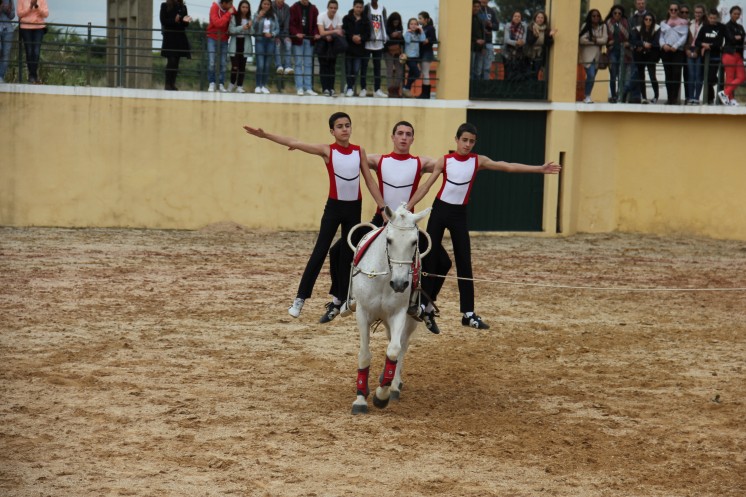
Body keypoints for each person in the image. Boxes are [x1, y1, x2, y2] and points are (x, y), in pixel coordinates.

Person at [405, 123, 561, 333]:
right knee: (431, 258)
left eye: (471, 141)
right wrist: (406, 208)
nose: (467, 144)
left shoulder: (478, 161)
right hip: (440, 210)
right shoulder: (445, 160)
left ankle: (468, 314)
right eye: (464, 140)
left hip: (459, 214)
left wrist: (539, 169)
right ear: (457, 140)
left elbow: (508, 166)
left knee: (464, 261)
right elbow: (426, 186)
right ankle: (424, 305)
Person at [242, 113, 385, 319]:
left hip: (354, 208)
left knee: (348, 254)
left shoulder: (358, 151)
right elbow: (295, 142)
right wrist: (266, 136)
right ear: (332, 131)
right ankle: (300, 298)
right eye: (339, 126)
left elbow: (370, 181)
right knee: (320, 251)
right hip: (334, 208)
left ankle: (345, 297)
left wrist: (382, 207)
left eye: (347, 125)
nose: (344, 129)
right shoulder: (327, 150)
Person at [322, 121, 437, 324]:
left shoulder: (421, 163)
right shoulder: (378, 160)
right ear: (392, 137)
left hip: (406, 224)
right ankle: (339, 299)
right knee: (337, 251)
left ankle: (422, 307)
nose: (403, 137)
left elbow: (452, 165)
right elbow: (346, 157)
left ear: (413, 139)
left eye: (408, 134)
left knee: (440, 260)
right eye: (399, 133)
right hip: (380, 220)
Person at [659, 3, 688, 105]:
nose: (673, 11)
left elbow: (684, 36)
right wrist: (663, 45)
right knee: (668, 75)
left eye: (675, 10)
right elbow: (661, 36)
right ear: (668, 10)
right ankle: (669, 98)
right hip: (666, 51)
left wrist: (676, 46)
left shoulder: (683, 22)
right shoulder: (664, 22)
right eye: (671, 10)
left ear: (678, 11)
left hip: (677, 51)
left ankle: (675, 98)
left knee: (676, 74)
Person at [289, 0, 319, 96]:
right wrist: (296, 33)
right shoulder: (294, 7)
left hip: (309, 39)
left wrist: (315, 34)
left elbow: (316, 25)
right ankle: (299, 87)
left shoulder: (314, 8)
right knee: (298, 63)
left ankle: (308, 88)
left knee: (308, 64)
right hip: (298, 40)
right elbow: (291, 24)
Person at [160, 0, 192, 92]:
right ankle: (167, 84)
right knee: (171, 60)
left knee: (176, 61)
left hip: (179, 37)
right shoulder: (164, 5)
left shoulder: (183, 7)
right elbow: (163, 20)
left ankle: (172, 83)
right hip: (170, 37)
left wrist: (186, 20)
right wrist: (174, 20)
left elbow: (185, 24)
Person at [695, 8, 725, 106]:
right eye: (711, 18)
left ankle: (716, 88)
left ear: (717, 18)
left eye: (714, 18)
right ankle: (709, 99)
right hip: (705, 58)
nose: (712, 20)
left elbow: (719, 42)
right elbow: (697, 42)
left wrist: (708, 46)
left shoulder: (721, 27)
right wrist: (704, 44)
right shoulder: (704, 27)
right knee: (707, 79)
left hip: (715, 58)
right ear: (708, 17)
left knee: (711, 78)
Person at [629, 13, 660, 104]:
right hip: (640, 55)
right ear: (643, 20)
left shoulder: (657, 29)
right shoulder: (637, 29)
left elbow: (656, 42)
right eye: (646, 19)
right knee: (641, 76)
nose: (648, 21)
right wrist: (643, 44)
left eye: (650, 19)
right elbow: (633, 40)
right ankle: (644, 97)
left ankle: (656, 96)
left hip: (651, 55)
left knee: (652, 76)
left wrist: (644, 45)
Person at [578, 9, 608, 103]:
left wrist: (594, 40)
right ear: (590, 17)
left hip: (597, 56)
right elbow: (582, 40)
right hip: (587, 55)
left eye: (597, 16)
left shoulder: (603, 26)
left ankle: (587, 96)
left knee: (592, 77)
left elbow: (604, 40)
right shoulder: (585, 26)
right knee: (590, 75)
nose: (596, 18)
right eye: (593, 16)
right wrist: (595, 41)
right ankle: (586, 95)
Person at [342, 0, 369, 97]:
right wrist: (352, 37)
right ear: (353, 7)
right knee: (348, 69)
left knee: (356, 69)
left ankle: (350, 84)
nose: (359, 9)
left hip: (360, 49)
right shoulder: (346, 18)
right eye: (357, 7)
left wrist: (361, 38)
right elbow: (345, 31)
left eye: (360, 7)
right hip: (349, 48)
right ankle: (349, 88)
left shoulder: (366, 20)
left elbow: (368, 34)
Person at [207, 0, 235, 92]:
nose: (232, 5)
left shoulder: (231, 8)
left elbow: (237, 16)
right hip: (212, 37)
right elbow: (218, 23)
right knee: (212, 62)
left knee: (223, 63)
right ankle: (212, 82)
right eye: (230, 3)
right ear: (223, 3)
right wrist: (228, 14)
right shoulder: (214, 8)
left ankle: (221, 84)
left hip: (224, 39)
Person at [604, 5, 630, 103]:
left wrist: (627, 42)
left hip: (623, 51)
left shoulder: (626, 23)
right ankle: (613, 95)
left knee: (621, 75)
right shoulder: (607, 23)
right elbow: (604, 36)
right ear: (612, 13)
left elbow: (629, 36)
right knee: (613, 74)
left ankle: (620, 95)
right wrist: (607, 43)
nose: (617, 15)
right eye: (615, 13)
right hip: (612, 51)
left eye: (619, 13)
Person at [17, 0, 48, 84]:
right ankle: (32, 76)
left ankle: (33, 75)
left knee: (36, 51)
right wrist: (30, 7)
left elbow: (46, 14)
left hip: (39, 27)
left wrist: (37, 6)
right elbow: (19, 14)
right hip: (26, 27)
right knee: (29, 51)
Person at [316, 0, 343, 97]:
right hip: (322, 44)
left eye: (335, 8)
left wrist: (330, 32)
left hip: (333, 43)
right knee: (324, 66)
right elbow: (322, 32)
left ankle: (331, 88)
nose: (333, 10)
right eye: (331, 8)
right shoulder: (321, 16)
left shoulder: (338, 17)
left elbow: (340, 32)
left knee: (332, 67)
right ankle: (325, 89)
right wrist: (333, 31)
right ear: (328, 8)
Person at [362, 0, 388, 97]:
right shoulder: (366, 8)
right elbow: (363, 23)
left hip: (379, 43)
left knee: (377, 67)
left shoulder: (382, 8)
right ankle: (363, 88)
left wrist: (385, 37)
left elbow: (384, 24)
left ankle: (377, 89)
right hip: (368, 43)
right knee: (364, 66)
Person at [720, 5, 745, 106]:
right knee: (729, 78)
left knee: (742, 77)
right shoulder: (726, 26)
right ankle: (730, 99)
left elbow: (742, 37)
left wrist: (739, 37)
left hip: (738, 54)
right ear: (730, 14)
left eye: (738, 14)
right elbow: (731, 39)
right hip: (729, 53)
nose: (737, 15)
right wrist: (737, 37)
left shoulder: (740, 27)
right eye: (735, 13)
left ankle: (725, 93)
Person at [251, 0, 278, 93]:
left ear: (270, 5)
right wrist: (258, 18)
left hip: (270, 41)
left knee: (267, 65)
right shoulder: (256, 14)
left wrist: (272, 34)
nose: (266, 6)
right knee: (260, 65)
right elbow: (253, 28)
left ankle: (264, 85)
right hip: (259, 40)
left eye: (268, 4)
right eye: (264, 4)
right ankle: (258, 85)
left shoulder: (274, 16)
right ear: (261, 5)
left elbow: (277, 29)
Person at [227, 0, 251, 93]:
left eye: (246, 7)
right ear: (240, 7)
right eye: (243, 7)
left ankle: (239, 86)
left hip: (245, 43)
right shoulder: (234, 17)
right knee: (235, 66)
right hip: (235, 43)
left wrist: (250, 26)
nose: (245, 9)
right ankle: (231, 84)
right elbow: (231, 30)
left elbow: (252, 32)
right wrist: (242, 27)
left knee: (242, 66)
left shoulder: (249, 18)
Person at [525, 10, 556, 80]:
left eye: (542, 18)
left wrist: (550, 36)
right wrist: (536, 36)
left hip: (540, 54)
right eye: (538, 17)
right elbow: (529, 41)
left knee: (536, 75)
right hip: (529, 54)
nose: (540, 19)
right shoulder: (530, 28)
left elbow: (549, 43)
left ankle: (534, 90)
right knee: (528, 75)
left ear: (544, 20)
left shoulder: (546, 29)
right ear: (535, 18)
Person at [684, 4, 705, 104]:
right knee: (691, 75)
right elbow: (685, 38)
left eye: (700, 12)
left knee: (698, 75)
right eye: (696, 12)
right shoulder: (689, 23)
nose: (698, 14)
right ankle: (690, 97)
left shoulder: (706, 24)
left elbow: (704, 39)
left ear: (703, 13)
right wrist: (687, 50)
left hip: (699, 51)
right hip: (689, 50)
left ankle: (696, 98)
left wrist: (697, 51)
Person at [502, 10, 528, 81]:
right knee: (508, 74)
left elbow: (524, 39)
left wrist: (522, 42)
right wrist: (516, 42)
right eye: (515, 16)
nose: (517, 18)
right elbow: (506, 40)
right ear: (512, 17)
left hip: (520, 54)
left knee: (518, 75)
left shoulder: (524, 26)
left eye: (519, 16)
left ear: (521, 18)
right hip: (508, 54)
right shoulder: (508, 25)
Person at [401, 17, 424, 98]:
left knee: (411, 73)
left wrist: (421, 31)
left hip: (416, 57)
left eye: (415, 24)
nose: (413, 26)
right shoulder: (407, 33)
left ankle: (406, 91)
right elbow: (407, 40)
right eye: (411, 24)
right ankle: (406, 87)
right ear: (409, 25)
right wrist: (408, 32)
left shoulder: (418, 34)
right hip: (409, 57)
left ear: (417, 25)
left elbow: (423, 40)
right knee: (417, 73)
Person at [382, 11, 403, 97]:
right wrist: (391, 36)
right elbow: (384, 40)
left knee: (400, 71)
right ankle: (390, 90)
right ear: (391, 21)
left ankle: (396, 89)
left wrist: (400, 36)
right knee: (389, 70)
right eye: (394, 22)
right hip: (388, 51)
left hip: (398, 51)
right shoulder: (386, 28)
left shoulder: (400, 28)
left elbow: (403, 41)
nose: (395, 23)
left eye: (397, 22)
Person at [477, 0, 499, 80]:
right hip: (478, 43)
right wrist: (483, 28)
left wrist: (491, 25)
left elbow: (497, 26)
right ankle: (477, 88)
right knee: (478, 69)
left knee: (487, 68)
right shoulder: (476, 10)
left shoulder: (491, 11)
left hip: (489, 43)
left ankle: (485, 88)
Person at [417, 11, 436, 99]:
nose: (419, 20)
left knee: (425, 73)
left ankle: (426, 93)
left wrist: (428, 40)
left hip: (427, 52)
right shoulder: (421, 28)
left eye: (420, 18)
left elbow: (433, 38)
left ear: (426, 19)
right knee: (424, 73)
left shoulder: (430, 28)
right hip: (422, 52)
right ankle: (424, 93)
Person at [272, 0, 293, 76]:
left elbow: (287, 22)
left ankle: (288, 66)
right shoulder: (271, 6)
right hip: (274, 30)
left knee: (288, 43)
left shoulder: (287, 7)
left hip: (284, 31)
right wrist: (276, 36)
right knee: (277, 44)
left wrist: (287, 35)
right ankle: (279, 65)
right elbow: (272, 21)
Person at [470, 0, 486, 81]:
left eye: (478, 7)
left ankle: (476, 90)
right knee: (470, 69)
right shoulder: (468, 18)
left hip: (480, 48)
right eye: (474, 6)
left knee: (479, 71)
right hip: (471, 47)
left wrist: (484, 47)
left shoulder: (480, 18)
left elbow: (483, 33)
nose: (476, 8)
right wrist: (476, 40)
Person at [0, 0, 15, 84]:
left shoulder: (10, 0)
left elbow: (12, 15)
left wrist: (8, 11)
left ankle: (0, 76)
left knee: (6, 55)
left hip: (8, 30)